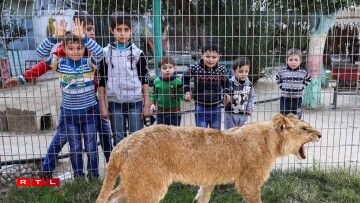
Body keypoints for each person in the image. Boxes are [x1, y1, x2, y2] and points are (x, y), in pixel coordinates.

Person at [4, 12, 112, 178]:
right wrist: (23, 78)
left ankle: (105, 172)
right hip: (70, 110)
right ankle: (49, 171)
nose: (90, 33)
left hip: (91, 104)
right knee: (66, 140)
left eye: (92, 30)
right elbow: (42, 62)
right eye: (87, 29)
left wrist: (84, 38)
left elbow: (100, 57)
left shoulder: (90, 53)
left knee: (100, 139)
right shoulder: (64, 53)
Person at [35, 18, 104, 177]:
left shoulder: (89, 63)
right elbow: (40, 54)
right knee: (75, 149)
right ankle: (79, 178)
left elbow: (99, 53)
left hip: (89, 113)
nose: (76, 51)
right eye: (71, 48)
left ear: (84, 48)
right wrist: (54, 37)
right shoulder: (59, 64)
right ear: (64, 49)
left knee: (92, 148)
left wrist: (85, 38)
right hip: (70, 115)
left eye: (80, 47)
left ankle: (93, 177)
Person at [98, 12, 151, 145]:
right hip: (115, 103)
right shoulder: (105, 53)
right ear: (112, 30)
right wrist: (103, 105)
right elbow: (101, 81)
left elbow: (144, 80)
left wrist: (146, 104)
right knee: (119, 140)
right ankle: (122, 166)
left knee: (136, 139)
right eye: (119, 30)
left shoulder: (138, 53)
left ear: (131, 31)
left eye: (126, 30)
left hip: (135, 102)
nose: (122, 33)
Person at [183, 40, 230, 129]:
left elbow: (226, 83)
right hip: (200, 106)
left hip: (216, 107)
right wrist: (187, 91)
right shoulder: (195, 67)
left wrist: (226, 93)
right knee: (201, 134)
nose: (211, 59)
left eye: (214, 57)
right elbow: (185, 77)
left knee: (215, 133)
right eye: (207, 56)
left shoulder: (221, 69)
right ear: (202, 56)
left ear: (219, 57)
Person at [276, 48, 311, 119]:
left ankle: (296, 129)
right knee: (284, 116)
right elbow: (278, 78)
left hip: (297, 98)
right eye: (290, 60)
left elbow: (308, 78)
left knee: (297, 116)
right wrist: (282, 87)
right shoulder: (283, 71)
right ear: (287, 60)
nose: (293, 62)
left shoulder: (303, 72)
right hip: (285, 98)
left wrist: (302, 87)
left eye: (296, 60)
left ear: (300, 61)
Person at [150, 56, 183, 126]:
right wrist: (152, 104)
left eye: (170, 67)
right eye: (164, 68)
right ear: (160, 70)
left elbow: (181, 94)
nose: (167, 70)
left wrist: (186, 97)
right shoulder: (156, 81)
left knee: (174, 134)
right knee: (161, 134)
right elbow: (154, 94)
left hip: (175, 113)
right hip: (161, 113)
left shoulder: (178, 81)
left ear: (174, 69)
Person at [224, 57, 255, 129]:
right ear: (234, 72)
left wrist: (250, 108)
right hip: (230, 114)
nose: (244, 74)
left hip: (243, 115)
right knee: (230, 134)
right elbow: (223, 95)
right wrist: (225, 99)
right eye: (240, 71)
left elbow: (252, 97)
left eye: (246, 71)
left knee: (241, 135)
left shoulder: (249, 84)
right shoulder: (229, 83)